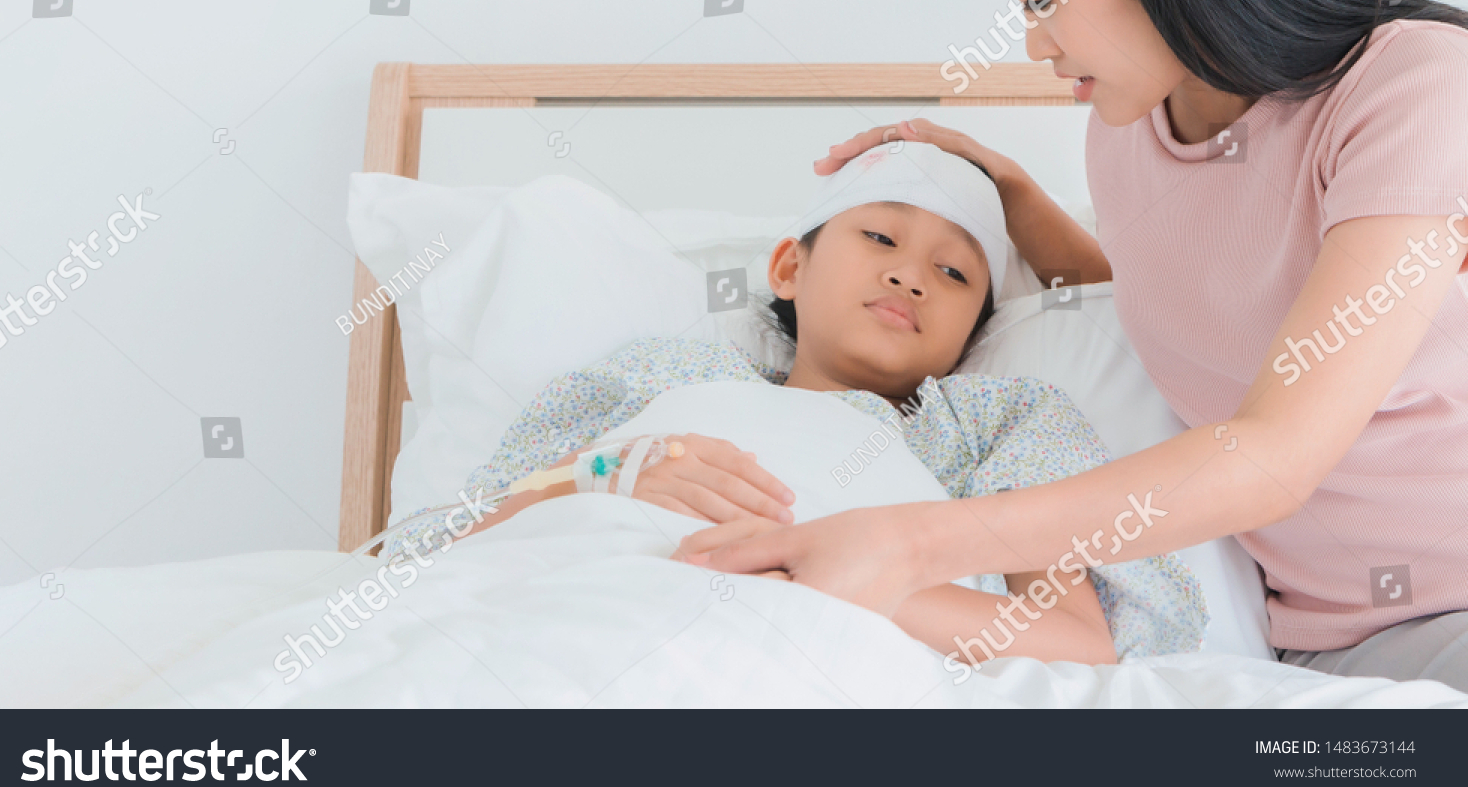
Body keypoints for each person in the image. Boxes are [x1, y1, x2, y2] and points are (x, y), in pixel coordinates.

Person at [691, 0, 1468, 692]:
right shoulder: (1125, 135)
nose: (1034, 42)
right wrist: (1012, 194)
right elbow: (1193, 315)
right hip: (1311, 645)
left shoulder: (1417, 89)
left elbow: (1278, 451)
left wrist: (910, 546)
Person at [384, 144, 1208, 669]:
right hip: (574, 606)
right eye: (879, 239)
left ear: (972, 334)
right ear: (788, 267)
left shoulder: (999, 425)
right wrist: (602, 472)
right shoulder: (664, 373)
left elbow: (1080, 642)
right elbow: (435, 545)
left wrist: (847, 575)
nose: (910, 276)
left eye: (954, 274)